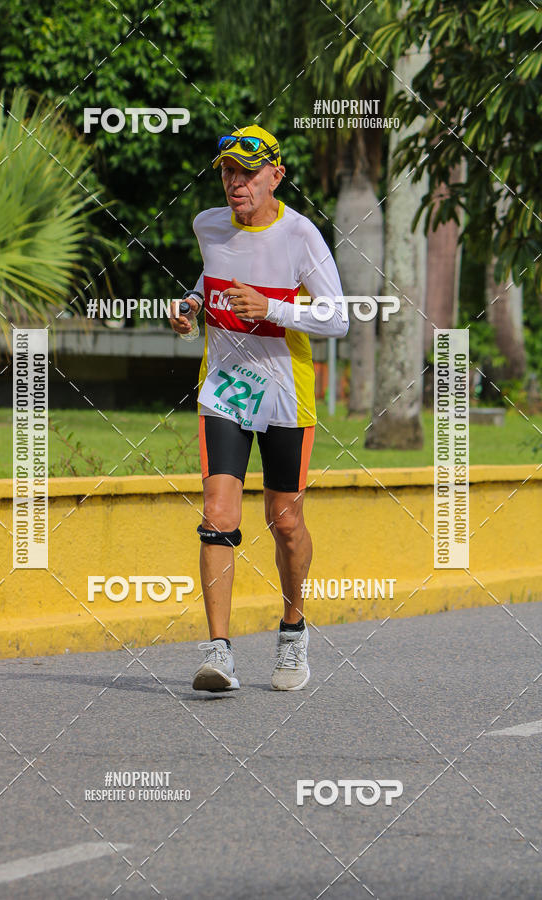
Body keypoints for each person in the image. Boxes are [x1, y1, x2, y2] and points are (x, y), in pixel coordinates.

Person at [169, 124, 349, 693]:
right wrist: (193, 304)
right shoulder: (208, 224)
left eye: (247, 172)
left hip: (283, 393)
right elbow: (212, 268)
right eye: (227, 171)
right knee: (219, 515)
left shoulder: (300, 236)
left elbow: (338, 318)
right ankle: (218, 653)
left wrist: (272, 308)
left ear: (277, 175)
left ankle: (293, 630)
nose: (235, 182)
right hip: (222, 386)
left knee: (285, 520)